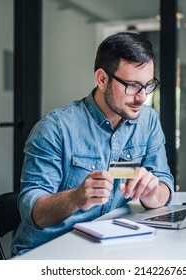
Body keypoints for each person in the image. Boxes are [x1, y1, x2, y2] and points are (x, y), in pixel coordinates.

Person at [11, 32, 175, 256]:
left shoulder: (148, 121)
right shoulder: (54, 128)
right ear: (102, 79)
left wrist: (151, 193)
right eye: (132, 86)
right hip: (49, 250)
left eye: (148, 85)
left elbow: (164, 184)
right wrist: (76, 198)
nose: (142, 97)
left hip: (107, 246)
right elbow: (33, 211)